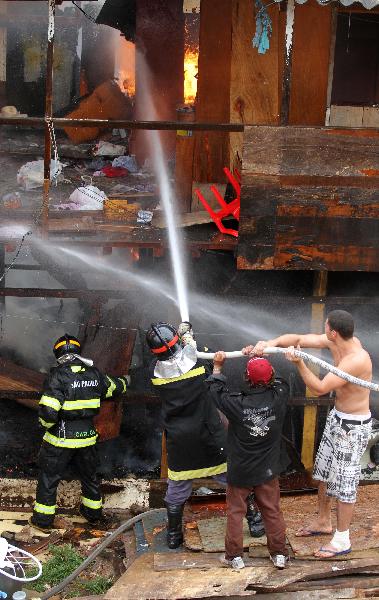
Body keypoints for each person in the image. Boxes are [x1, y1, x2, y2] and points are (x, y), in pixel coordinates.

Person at [245, 309, 372, 558]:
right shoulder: (334, 341)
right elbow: (297, 337)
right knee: (323, 471)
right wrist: (268, 344)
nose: (323, 329)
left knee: (345, 485)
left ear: (333, 331)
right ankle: (324, 521)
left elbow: (320, 388)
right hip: (338, 417)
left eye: (326, 326)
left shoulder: (356, 359)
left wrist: (299, 362)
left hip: (353, 426)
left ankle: (342, 539)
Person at [30, 334, 129, 532]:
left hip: (60, 440)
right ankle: (92, 514)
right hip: (87, 439)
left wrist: (46, 426)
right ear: (77, 351)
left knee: (49, 479)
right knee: (90, 476)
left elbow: (48, 413)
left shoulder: (57, 376)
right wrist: (126, 381)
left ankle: (42, 521)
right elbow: (114, 387)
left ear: (58, 354)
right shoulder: (94, 374)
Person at [146, 321, 228, 549]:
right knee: (234, 480)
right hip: (209, 434)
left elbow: (172, 360)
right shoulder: (198, 364)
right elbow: (211, 377)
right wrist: (190, 341)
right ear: (177, 342)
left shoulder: (153, 372)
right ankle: (255, 520)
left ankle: (173, 536)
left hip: (180, 441)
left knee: (178, 488)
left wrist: (185, 344)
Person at [206, 351, 290, 570]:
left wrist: (217, 365)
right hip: (268, 470)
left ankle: (234, 557)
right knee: (271, 511)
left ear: (246, 377)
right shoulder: (279, 395)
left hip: (241, 469)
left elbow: (214, 391)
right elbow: (280, 380)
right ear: (271, 375)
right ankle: (279, 554)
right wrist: (260, 356)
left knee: (236, 512)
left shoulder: (236, 404)